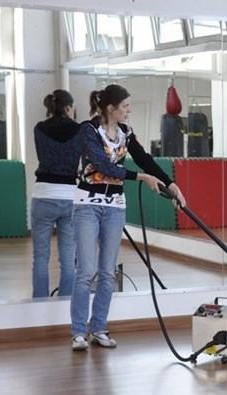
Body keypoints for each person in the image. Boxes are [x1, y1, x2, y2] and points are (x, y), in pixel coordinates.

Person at [70, 84, 186, 351]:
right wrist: (139, 177)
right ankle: (78, 333)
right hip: (87, 205)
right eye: (125, 106)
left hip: (115, 207)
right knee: (85, 271)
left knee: (108, 272)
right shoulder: (88, 130)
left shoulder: (126, 133)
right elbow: (102, 165)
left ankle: (99, 328)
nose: (128, 110)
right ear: (111, 108)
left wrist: (172, 185)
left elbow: (145, 159)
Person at [31, 90, 81, 298]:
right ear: (68, 107)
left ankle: (39, 301)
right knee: (68, 257)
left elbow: (43, 155)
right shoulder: (79, 129)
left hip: (43, 194)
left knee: (40, 256)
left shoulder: (39, 128)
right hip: (69, 196)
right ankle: (66, 300)